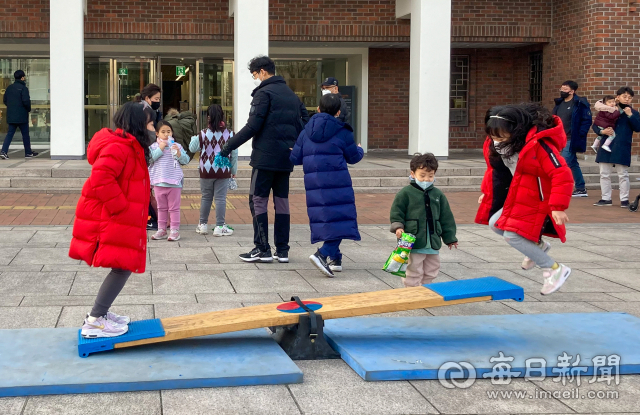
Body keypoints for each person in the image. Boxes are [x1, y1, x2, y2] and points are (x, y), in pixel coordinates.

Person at [69, 101, 152, 338]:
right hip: (113, 217)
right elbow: (102, 177)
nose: (153, 125)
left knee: (122, 265)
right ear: (138, 123)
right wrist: (121, 208)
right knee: (122, 266)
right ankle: (95, 319)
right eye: (149, 121)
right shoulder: (120, 147)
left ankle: (100, 314)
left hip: (118, 217)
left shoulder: (129, 144)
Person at [476, 103, 574, 295]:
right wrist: (487, 191)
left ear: (516, 131)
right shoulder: (496, 145)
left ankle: (554, 269)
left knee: (512, 234)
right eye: (492, 135)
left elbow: (562, 174)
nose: (496, 140)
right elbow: (495, 171)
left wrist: (558, 207)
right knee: (495, 224)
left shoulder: (539, 145)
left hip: (538, 197)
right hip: (520, 193)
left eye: (500, 136)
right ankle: (538, 246)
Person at [219, 55, 309, 263]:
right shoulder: (292, 95)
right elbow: (306, 122)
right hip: (286, 157)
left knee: (258, 200)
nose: (255, 79)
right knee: (282, 202)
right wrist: (294, 143)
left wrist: (228, 146)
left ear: (262, 71)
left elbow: (253, 127)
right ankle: (283, 250)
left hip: (265, 157)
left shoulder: (264, 93)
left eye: (254, 75)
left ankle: (262, 248)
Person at [290, 93, 364, 276]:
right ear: (338, 112)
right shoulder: (343, 131)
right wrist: (360, 149)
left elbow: (295, 158)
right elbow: (353, 157)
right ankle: (322, 254)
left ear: (318, 109)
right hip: (337, 182)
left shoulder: (306, 131)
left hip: (315, 184)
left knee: (329, 219)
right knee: (341, 219)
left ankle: (336, 258)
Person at [389, 153, 458, 287]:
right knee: (413, 268)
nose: (426, 179)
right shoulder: (406, 193)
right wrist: (398, 227)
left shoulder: (438, 195)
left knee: (432, 267)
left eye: (430, 175)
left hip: (432, 241)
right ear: (413, 174)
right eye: (422, 175)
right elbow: (396, 211)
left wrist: (450, 238)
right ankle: (412, 290)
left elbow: (446, 217)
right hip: (412, 239)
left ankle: (426, 287)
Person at [190, 104, 238, 237]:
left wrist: (196, 136)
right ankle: (219, 226)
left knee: (206, 197)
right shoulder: (230, 134)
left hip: (206, 170)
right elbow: (234, 155)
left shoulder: (203, 133)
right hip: (223, 170)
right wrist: (233, 170)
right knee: (221, 199)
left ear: (208, 117)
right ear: (223, 116)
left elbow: (193, 148)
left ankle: (202, 225)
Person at [592, 86, 640, 208]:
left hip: (622, 145)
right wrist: (601, 132)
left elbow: (638, 127)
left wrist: (630, 115)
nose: (627, 99)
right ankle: (605, 198)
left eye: (629, 97)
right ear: (617, 97)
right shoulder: (608, 109)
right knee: (604, 173)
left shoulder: (633, 112)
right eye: (624, 96)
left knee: (623, 174)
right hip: (606, 145)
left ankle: (624, 200)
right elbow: (596, 124)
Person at [149, 120, 190, 242]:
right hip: (158, 181)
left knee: (174, 208)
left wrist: (178, 152)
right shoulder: (153, 147)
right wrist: (160, 148)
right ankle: (161, 229)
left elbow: (185, 160)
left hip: (174, 182)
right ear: (157, 133)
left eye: (169, 131)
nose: (166, 134)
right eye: (163, 132)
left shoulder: (177, 146)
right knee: (161, 208)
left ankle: (174, 230)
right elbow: (150, 159)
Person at [552, 80, 592, 198]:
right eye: (562, 88)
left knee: (564, 162)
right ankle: (581, 188)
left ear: (572, 91)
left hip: (571, 138)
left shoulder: (579, 103)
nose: (562, 91)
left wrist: (581, 134)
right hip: (559, 137)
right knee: (573, 163)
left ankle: (560, 187)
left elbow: (587, 120)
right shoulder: (559, 104)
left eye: (565, 89)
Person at [1, 70, 38, 159]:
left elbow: (5, 100)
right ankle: (28, 152)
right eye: (24, 77)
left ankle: (3, 151)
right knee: (25, 135)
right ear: (22, 77)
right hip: (22, 115)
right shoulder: (23, 88)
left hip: (11, 115)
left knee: (10, 134)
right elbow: (26, 101)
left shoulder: (9, 88)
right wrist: (28, 109)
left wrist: (12, 108)